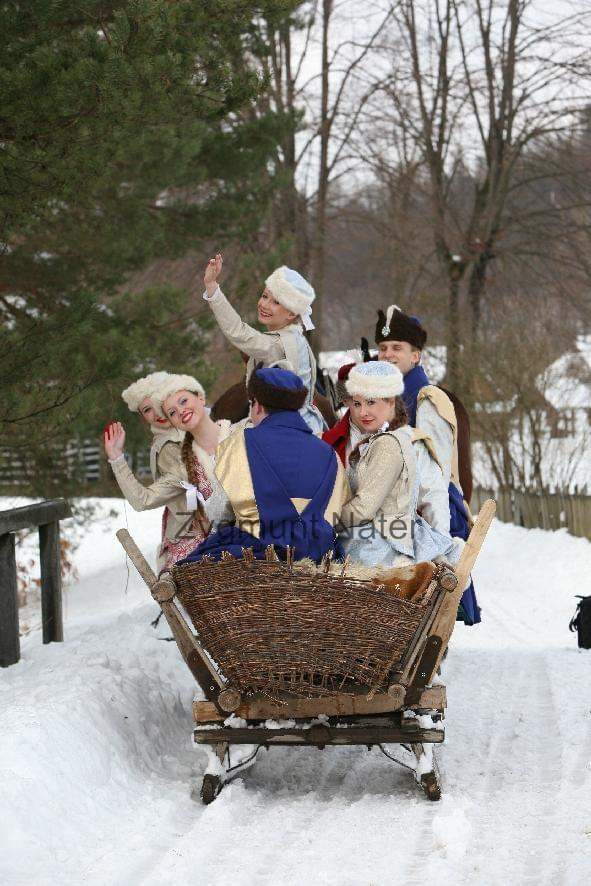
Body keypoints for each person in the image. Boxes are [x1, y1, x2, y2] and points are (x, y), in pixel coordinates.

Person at [373, 305, 480, 623]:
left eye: (396, 348)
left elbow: (434, 467)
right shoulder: (386, 396)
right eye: (382, 348)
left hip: (429, 505)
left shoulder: (426, 398)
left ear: (415, 356)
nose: (388, 355)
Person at [179, 365, 349, 564]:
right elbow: (337, 513)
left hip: (257, 555)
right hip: (317, 555)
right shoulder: (328, 453)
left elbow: (218, 513)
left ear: (257, 405)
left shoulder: (238, 444)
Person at [336, 362, 461, 569]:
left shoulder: (387, 444)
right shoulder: (386, 439)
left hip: (379, 545)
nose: (362, 412)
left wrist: (325, 522)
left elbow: (364, 508)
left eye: (370, 402)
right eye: (357, 404)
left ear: (390, 401)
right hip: (383, 535)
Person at [104, 374, 231, 571]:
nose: (157, 414)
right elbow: (147, 499)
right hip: (196, 525)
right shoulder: (168, 448)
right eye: (147, 410)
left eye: (159, 404)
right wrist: (117, 458)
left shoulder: (211, 424)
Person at [201, 253, 326, 433]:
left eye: (276, 302)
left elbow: (238, 331)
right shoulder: (297, 339)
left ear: (291, 314)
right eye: (264, 296)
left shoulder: (277, 345)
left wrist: (212, 287)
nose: (265, 305)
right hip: (305, 426)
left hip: (283, 431)